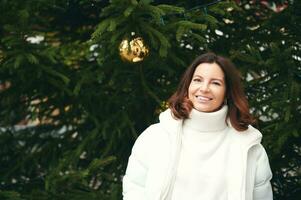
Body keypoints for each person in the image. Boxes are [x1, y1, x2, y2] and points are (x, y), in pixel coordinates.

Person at [122, 52, 273, 200]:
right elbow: (135, 189)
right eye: (198, 80)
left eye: (215, 83)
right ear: (188, 85)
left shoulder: (249, 146)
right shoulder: (155, 137)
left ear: (227, 92)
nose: (204, 88)